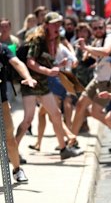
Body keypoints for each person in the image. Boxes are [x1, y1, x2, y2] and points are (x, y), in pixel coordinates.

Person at [14, 12, 82, 160]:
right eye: (54, 24)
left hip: (43, 83)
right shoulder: (38, 40)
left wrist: (58, 65)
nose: (58, 26)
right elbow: (30, 62)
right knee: (28, 119)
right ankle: (12, 151)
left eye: (59, 23)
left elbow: (46, 63)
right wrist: (48, 71)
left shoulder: (54, 40)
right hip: (30, 82)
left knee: (56, 114)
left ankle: (63, 149)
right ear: (46, 25)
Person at [68, 18, 111, 148]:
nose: (98, 30)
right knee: (80, 106)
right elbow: (91, 60)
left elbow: (107, 51)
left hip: (109, 82)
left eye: (100, 27)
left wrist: (87, 48)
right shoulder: (96, 41)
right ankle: (71, 141)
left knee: (96, 112)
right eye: (95, 28)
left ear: (105, 27)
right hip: (97, 79)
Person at [0, 42, 37, 182]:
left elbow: (17, 63)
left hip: (1, 101)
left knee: (9, 139)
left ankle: (17, 169)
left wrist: (27, 77)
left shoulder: (2, 50)